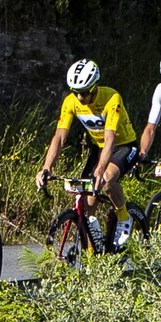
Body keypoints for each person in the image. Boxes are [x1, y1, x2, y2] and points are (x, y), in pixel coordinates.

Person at [37, 58, 140, 244]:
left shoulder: (111, 98)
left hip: (123, 145)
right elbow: (59, 137)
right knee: (87, 201)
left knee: (106, 179)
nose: (80, 98)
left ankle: (124, 218)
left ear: (95, 87)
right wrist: (46, 167)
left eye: (84, 93)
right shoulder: (71, 102)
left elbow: (110, 139)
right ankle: (94, 243)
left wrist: (100, 170)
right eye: (75, 92)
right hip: (99, 147)